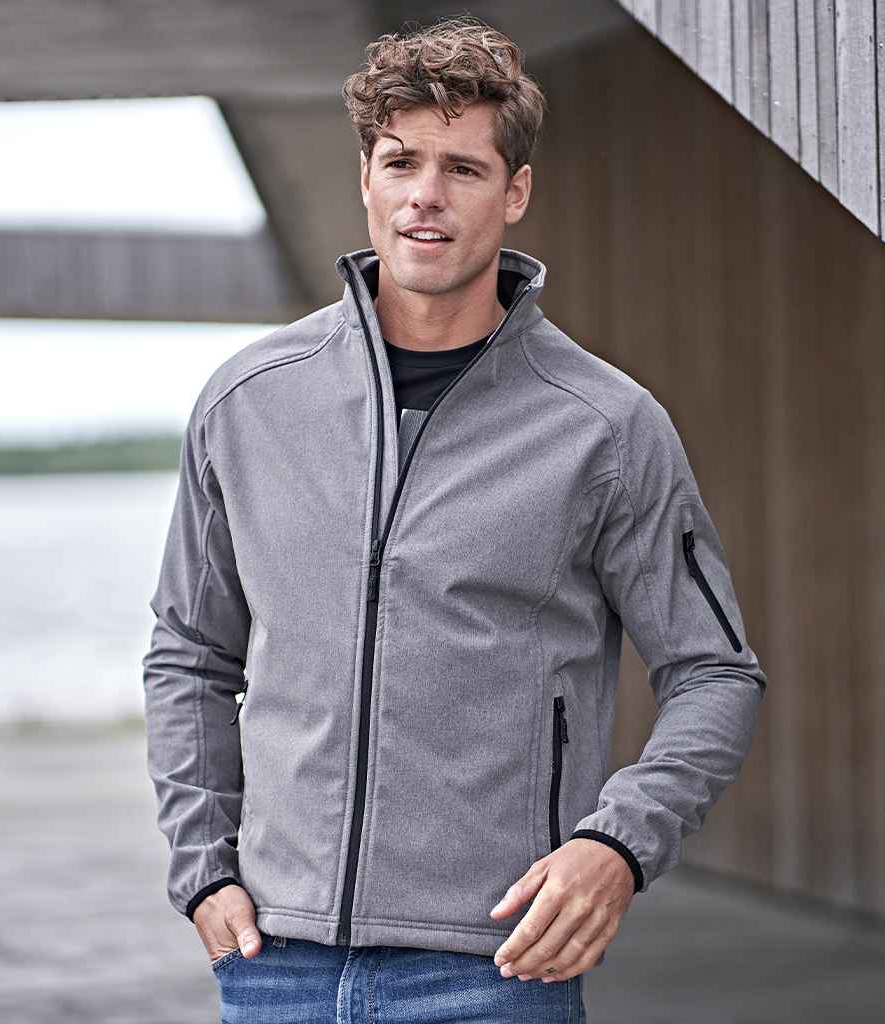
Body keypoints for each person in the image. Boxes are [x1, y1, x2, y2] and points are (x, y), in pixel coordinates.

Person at [142, 14, 768, 1023]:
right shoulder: (247, 401)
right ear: (366, 178)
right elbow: (189, 656)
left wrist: (616, 845)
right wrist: (203, 869)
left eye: (463, 168)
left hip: (493, 967)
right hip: (273, 963)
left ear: (514, 192)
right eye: (401, 161)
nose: (425, 195)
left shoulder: (604, 427)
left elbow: (714, 671)